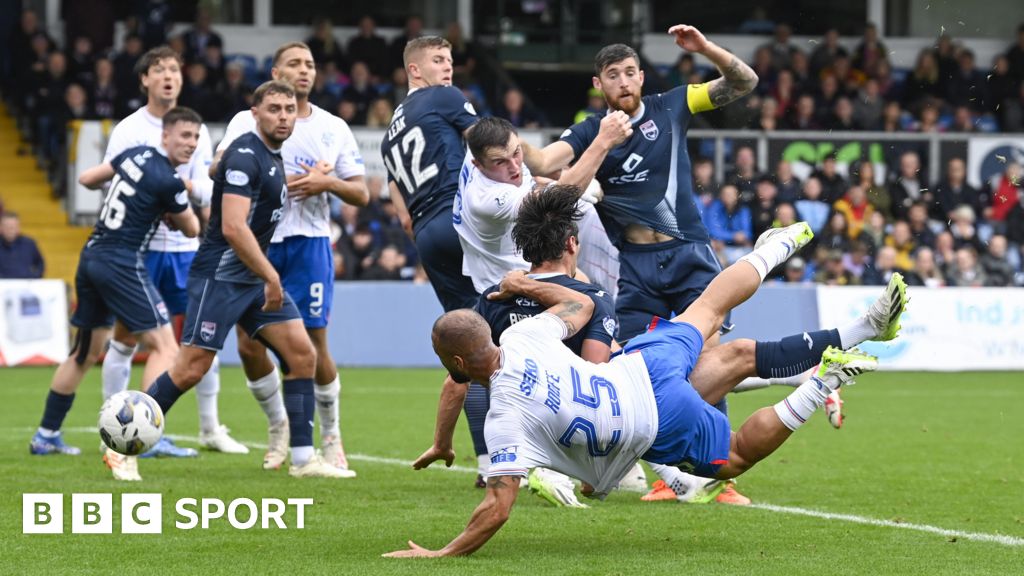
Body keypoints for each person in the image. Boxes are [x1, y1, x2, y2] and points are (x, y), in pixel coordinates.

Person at [385, 221, 890, 557]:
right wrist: (524, 286)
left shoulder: (502, 421)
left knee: (733, 458)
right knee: (708, 310)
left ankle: (824, 379)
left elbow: (496, 509)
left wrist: (441, 553)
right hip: (640, 364)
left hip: (650, 419)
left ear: (455, 362)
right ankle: (777, 245)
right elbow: (579, 308)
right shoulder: (522, 334)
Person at [518, 24, 761, 504]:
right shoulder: (592, 131)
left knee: (704, 359)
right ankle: (665, 475)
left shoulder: (672, 105)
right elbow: (544, 162)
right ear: (599, 85)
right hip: (637, 269)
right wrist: (505, 139)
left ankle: (718, 476)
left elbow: (744, 83)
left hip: (689, 256)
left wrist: (706, 49)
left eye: (630, 72)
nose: (624, 81)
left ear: (642, 76)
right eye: (613, 75)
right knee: (629, 367)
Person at [144, 81, 346, 479]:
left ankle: (303, 459)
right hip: (221, 275)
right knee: (190, 368)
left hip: (250, 277)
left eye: (289, 109)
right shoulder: (244, 156)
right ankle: (124, 436)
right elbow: (234, 229)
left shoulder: (272, 158)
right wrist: (271, 276)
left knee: (303, 356)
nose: (284, 116)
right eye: (274, 109)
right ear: (255, 113)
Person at [212, 42, 369, 473]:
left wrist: (328, 184)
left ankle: (332, 437)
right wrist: (296, 177)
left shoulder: (332, 127)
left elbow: (362, 192)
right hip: (256, 243)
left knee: (315, 344)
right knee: (247, 344)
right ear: (276, 71)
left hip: (308, 243)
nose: (304, 71)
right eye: (295, 64)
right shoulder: (247, 121)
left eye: (311, 65)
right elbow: (218, 167)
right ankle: (279, 427)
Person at [451, 116, 630, 484]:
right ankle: (573, 463)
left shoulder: (486, 166)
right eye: (501, 162)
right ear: (478, 164)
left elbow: (538, 181)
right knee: (580, 364)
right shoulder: (490, 198)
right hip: (508, 289)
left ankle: (498, 466)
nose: (515, 167)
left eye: (517, 154)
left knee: (487, 375)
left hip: (517, 278)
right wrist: (602, 142)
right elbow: (560, 200)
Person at [29, 108, 201, 482]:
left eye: (196, 138)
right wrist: (178, 197)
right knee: (165, 347)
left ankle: (46, 435)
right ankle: (136, 440)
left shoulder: (134, 154)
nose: (191, 143)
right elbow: (192, 228)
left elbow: (90, 178)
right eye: (184, 135)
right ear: (165, 136)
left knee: (85, 352)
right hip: (122, 261)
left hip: (92, 253)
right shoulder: (168, 179)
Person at [100, 46, 246, 461]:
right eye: (159, 70)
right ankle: (113, 428)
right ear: (144, 79)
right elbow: (114, 185)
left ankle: (210, 428)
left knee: (205, 339)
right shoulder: (129, 129)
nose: (169, 77)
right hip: (141, 251)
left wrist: (174, 192)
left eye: (175, 70)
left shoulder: (193, 129)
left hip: (187, 249)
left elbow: (211, 187)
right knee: (126, 340)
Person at [381, 36, 478, 314]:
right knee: (515, 296)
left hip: (426, 236)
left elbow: (403, 217)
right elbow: (487, 144)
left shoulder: (389, 136)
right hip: (458, 215)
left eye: (449, 61)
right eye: (438, 61)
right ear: (414, 70)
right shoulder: (443, 95)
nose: (448, 67)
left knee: (464, 324)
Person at [0, 212, 45, 278]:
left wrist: (35, 276)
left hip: (25, 284)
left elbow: (40, 263)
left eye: (13, 226)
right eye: (7, 226)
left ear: (18, 228)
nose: (10, 229)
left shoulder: (29, 244)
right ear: (1, 228)